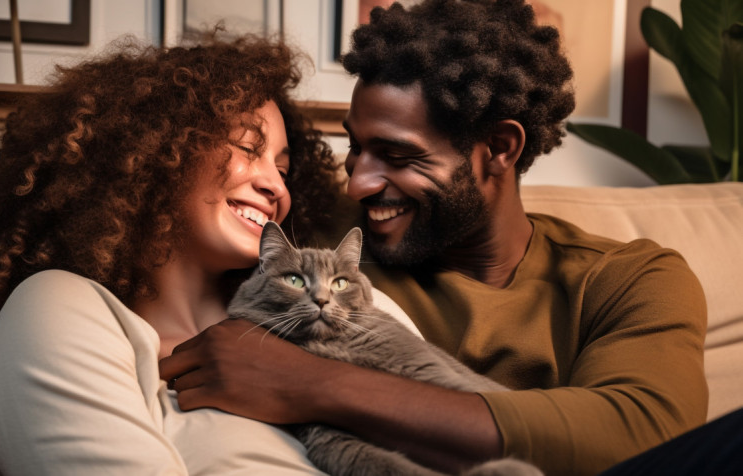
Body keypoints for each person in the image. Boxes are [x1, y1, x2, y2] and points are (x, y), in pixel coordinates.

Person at [159, 1, 710, 475]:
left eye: (398, 156)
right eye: (354, 148)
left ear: (499, 148)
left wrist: (309, 383)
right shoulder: (321, 246)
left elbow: (650, 436)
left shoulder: (630, 277)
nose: (358, 182)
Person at [0, 33, 351, 474]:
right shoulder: (56, 309)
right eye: (249, 147)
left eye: (283, 170)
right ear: (157, 148)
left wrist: (312, 383)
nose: (277, 187)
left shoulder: (338, 297)